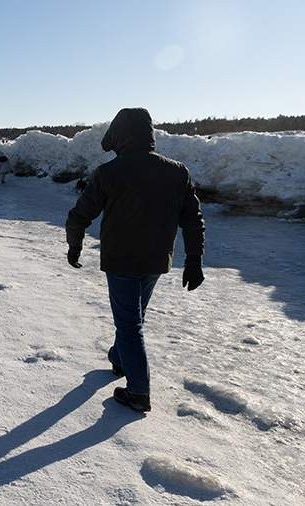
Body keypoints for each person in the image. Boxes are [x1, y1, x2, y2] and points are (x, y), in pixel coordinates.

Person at [65, 108, 205, 413]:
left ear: (121, 135)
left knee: (130, 323)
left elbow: (80, 214)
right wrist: (194, 259)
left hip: (121, 260)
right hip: (156, 260)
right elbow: (193, 219)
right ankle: (119, 358)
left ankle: (139, 392)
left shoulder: (109, 173)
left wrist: (74, 245)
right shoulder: (176, 171)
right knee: (132, 317)